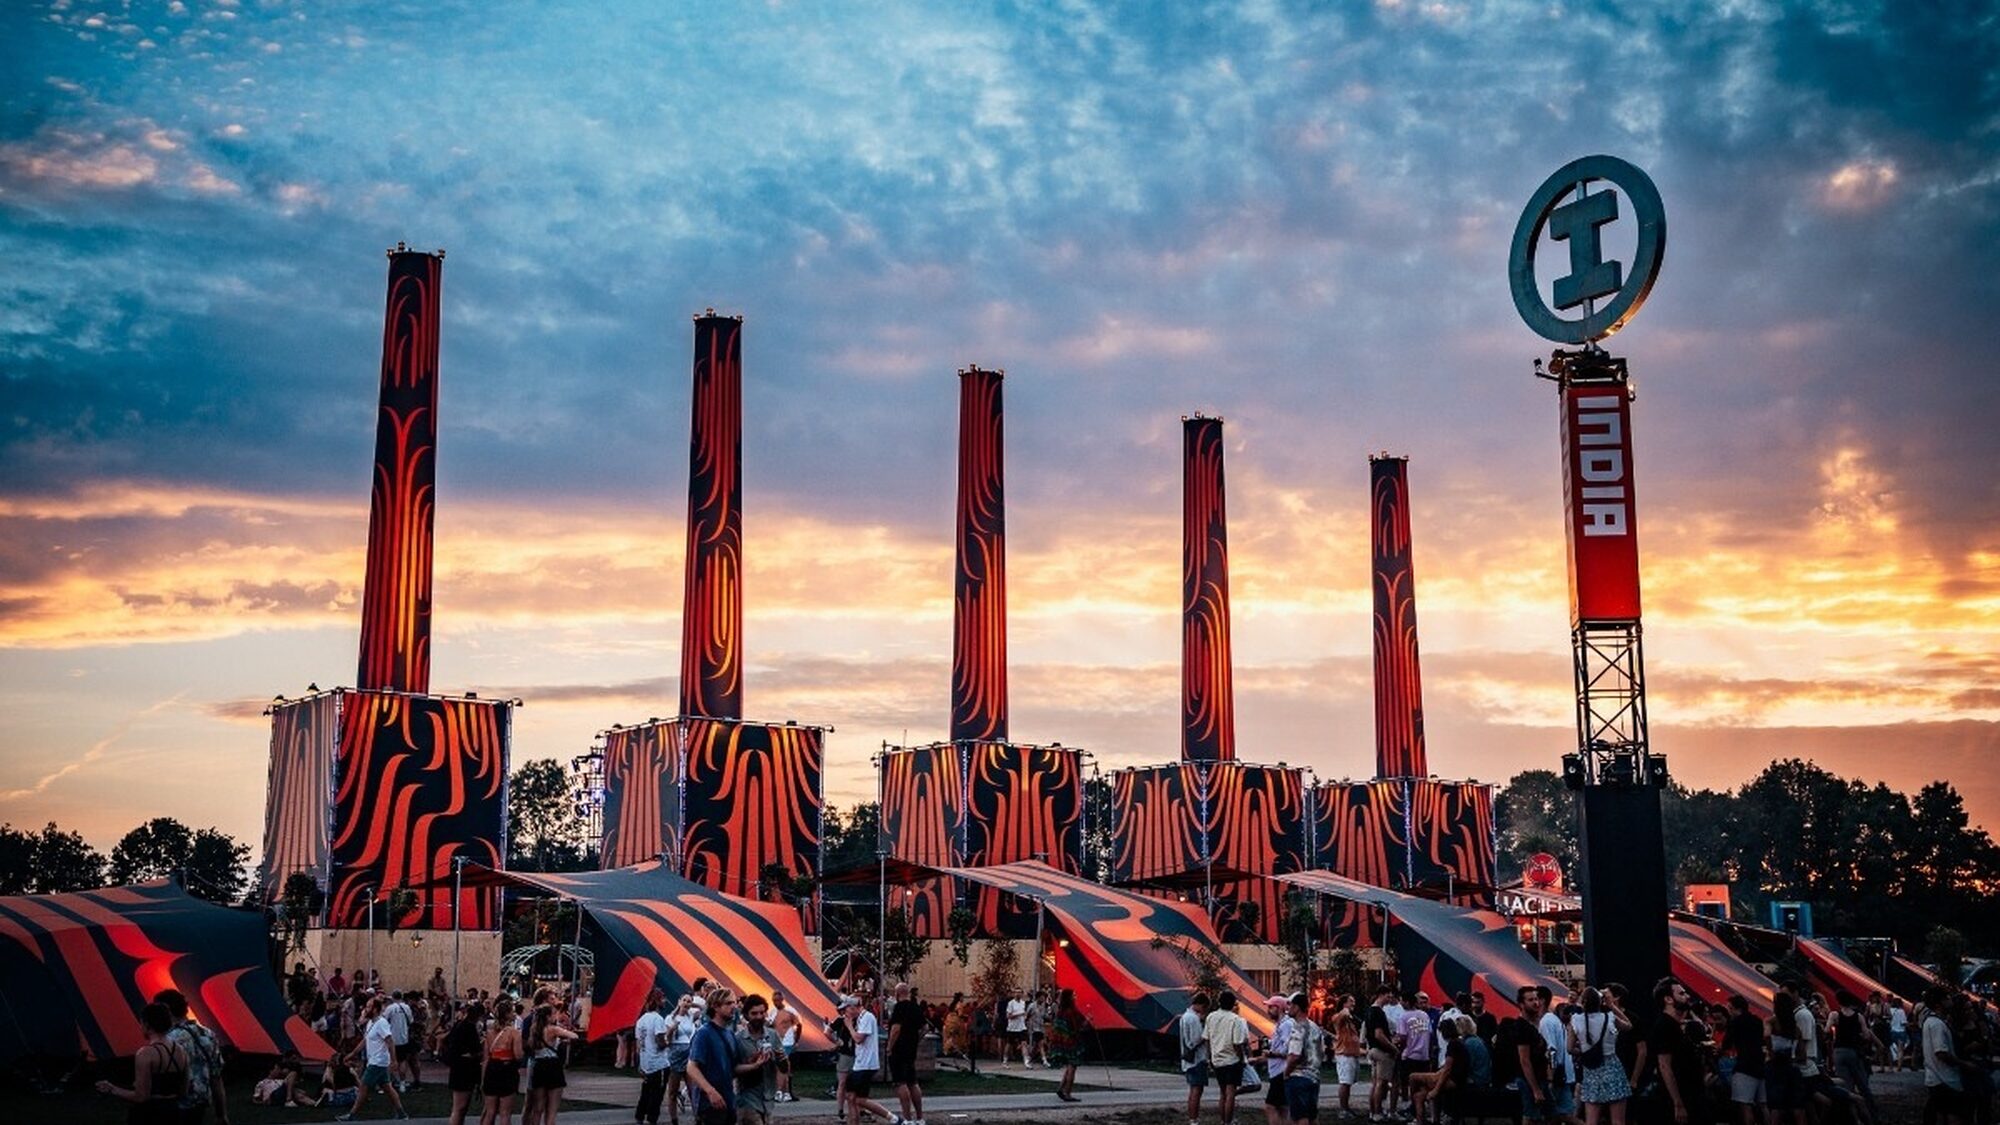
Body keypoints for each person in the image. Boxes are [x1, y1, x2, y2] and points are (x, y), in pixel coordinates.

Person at [95, 1001, 188, 1124]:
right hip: (174, 1113)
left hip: (149, 1115)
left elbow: (141, 1097)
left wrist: (112, 1089)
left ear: (147, 1024)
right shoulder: (181, 1051)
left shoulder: (145, 1054)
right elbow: (184, 1091)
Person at [1633, 978, 1706, 1125]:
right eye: (1681, 993)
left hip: (1691, 1093)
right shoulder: (1664, 1027)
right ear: (1668, 999)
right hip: (1677, 1097)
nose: (1687, 996)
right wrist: (1677, 1103)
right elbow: (1665, 1066)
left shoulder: (1678, 1025)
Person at [155, 988, 226, 1125]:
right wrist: (221, 1114)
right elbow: (216, 1077)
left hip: (175, 1103)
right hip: (200, 1101)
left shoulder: (168, 1040)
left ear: (166, 1011)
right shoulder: (207, 1034)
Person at [1567, 987, 1631, 1125]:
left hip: (1591, 1070)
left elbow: (1570, 1048)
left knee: (1591, 1120)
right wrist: (1612, 1006)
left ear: (1583, 1002)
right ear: (1599, 1002)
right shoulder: (1609, 1017)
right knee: (1618, 1121)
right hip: (1612, 1066)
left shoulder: (1575, 1020)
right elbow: (1628, 1026)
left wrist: (1584, 1051)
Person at [341, 994, 409, 1121]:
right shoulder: (371, 1022)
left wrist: (394, 1060)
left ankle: (352, 1114)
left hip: (378, 1062)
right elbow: (365, 1040)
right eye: (366, 1007)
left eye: (369, 1007)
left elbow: (390, 1041)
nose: (366, 1009)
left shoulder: (381, 1023)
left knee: (363, 1087)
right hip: (376, 1061)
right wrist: (352, 1054)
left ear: (376, 1009)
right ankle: (401, 1113)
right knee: (388, 1088)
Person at [840, 994, 898, 1125]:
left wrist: (849, 1026)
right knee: (851, 1097)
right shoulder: (861, 1019)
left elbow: (859, 1039)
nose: (845, 1013)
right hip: (860, 1064)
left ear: (854, 1007)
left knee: (859, 1099)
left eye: (846, 1009)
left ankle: (892, 1118)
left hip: (866, 1065)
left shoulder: (867, 1017)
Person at [1502, 984, 1556, 1125]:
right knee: (1531, 1116)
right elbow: (1524, 1060)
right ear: (1521, 1004)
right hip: (1528, 1081)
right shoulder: (1521, 1027)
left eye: (1537, 999)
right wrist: (1535, 1089)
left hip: (1541, 1077)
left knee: (1550, 1115)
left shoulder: (1538, 1023)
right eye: (1531, 1000)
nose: (1536, 1003)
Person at [686, 988, 740, 1125]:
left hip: (727, 1101)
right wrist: (710, 1091)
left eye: (734, 1003)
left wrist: (756, 1063)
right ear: (715, 1006)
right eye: (728, 1003)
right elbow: (692, 1067)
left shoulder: (730, 1034)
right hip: (709, 1105)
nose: (733, 1006)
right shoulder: (704, 1034)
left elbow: (733, 1068)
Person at [525, 1001, 581, 1125]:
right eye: (554, 1014)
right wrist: (564, 1035)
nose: (556, 1016)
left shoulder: (534, 1030)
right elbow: (574, 1036)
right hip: (552, 1066)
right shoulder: (553, 1029)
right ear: (548, 1016)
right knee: (551, 1109)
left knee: (537, 1109)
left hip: (538, 1066)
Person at [735, 993, 783, 1125]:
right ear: (746, 1015)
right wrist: (754, 1064)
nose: (759, 1017)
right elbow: (733, 1069)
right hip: (747, 1096)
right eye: (754, 1013)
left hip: (768, 1096)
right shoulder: (738, 1039)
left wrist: (781, 1059)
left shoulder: (772, 1035)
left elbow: (784, 1068)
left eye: (762, 1013)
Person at [1535, 985, 1580, 1125]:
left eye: (1534, 999)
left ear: (1541, 1001)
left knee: (1550, 1115)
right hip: (1564, 1074)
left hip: (1556, 1077)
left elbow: (1551, 1051)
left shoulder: (1546, 1022)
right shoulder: (1553, 1020)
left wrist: (1550, 1078)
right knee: (1564, 1115)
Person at [1920, 986, 1965, 1125]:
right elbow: (1941, 1052)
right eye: (1947, 998)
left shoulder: (1931, 1022)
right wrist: (1963, 1064)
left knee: (1941, 1114)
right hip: (1944, 1078)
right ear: (1939, 1003)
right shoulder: (1937, 1025)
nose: (1950, 1000)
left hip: (1936, 1077)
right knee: (1953, 1115)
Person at [1831, 992, 1880, 1120]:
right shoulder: (1858, 1016)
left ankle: (1852, 1118)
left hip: (1839, 1051)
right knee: (1863, 1084)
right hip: (1853, 1051)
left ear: (1838, 1001)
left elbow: (1826, 1030)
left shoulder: (1835, 1015)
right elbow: (1866, 1035)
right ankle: (1872, 1115)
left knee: (1846, 1086)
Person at [1207, 989, 1252, 1125]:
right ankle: (1228, 1121)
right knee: (1230, 1093)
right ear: (1233, 1004)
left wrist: (1210, 1057)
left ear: (1219, 1002)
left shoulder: (1211, 1017)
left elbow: (1207, 1039)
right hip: (1232, 1060)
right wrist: (1242, 1058)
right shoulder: (1236, 1020)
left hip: (1217, 1059)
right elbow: (1237, 1043)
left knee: (1222, 1093)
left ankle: (1222, 1120)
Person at [1721, 994, 1766, 1125]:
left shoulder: (1734, 1022)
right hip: (1760, 1063)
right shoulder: (1757, 1020)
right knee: (1764, 1105)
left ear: (1735, 1008)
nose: (1729, 1011)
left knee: (1745, 1105)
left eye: (1729, 1008)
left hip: (1744, 1066)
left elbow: (1726, 1044)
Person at [886, 983, 926, 1125]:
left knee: (900, 1083)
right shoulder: (916, 1007)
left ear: (897, 994)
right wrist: (916, 1039)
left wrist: (890, 1047)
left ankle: (907, 1118)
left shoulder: (899, 1007)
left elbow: (896, 1029)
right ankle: (920, 1118)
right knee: (913, 1082)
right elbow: (924, 1027)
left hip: (899, 1049)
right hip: (911, 1049)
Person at [1282, 993, 1325, 1125]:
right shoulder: (1314, 1027)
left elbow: (1295, 1055)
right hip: (1313, 1076)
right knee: (1312, 1116)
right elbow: (1321, 1051)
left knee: (1300, 1117)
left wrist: (1286, 1072)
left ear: (1297, 1007)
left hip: (1298, 1076)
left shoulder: (1298, 1028)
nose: (1288, 1008)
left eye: (1290, 1005)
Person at [442, 1000, 486, 1125]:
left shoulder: (460, 1025)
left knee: (461, 1107)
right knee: (459, 1107)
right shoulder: (469, 1027)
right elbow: (476, 1050)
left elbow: (448, 1040)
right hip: (464, 1069)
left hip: (459, 1068)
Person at [481, 996, 522, 1125]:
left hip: (492, 1070)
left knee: (490, 1111)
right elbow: (518, 1055)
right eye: (513, 1011)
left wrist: (483, 1079)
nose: (514, 1014)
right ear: (508, 1014)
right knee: (505, 1113)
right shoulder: (514, 1033)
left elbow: (486, 1058)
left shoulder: (489, 1033)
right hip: (507, 1069)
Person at [667, 993, 704, 1125]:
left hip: (688, 1052)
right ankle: (674, 1119)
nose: (687, 1003)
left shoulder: (690, 1016)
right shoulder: (670, 1018)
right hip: (675, 1052)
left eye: (689, 1001)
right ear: (679, 1001)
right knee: (673, 1090)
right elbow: (668, 1040)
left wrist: (692, 1004)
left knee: (692, 1088)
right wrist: (671, 1029)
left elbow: (703, 1008)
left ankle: (697, 1118)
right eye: (684, 1000)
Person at [635, 989, 671, 1125]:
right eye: (662, 998)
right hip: (659, 1064)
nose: (664, 1001)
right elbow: (660, 1042)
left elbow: (639, 1045)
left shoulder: (641, 1020)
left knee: (645, 1092)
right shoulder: (658, 1019)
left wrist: (640, 1063)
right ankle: (652, 1120)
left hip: (646, 1063)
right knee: (657, 1095)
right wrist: (669, 1041)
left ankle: (639, 1116)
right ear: (656, 1001)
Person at [1366, 986, 1402, 1121]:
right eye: (1388, 996)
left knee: (1375, 1083)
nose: (1390, 999)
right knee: (1382, 1083)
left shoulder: (1369, 1010)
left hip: (1373, 1049)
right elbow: (1379, 1034)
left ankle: (1372, 1112)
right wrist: (1393, 1047)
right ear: (1381, 995)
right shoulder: (1378, 1012)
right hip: (1382, 1051)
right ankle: (1377, 1112)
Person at [1263, 993, 1297, 1125]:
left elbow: (1289, 1049)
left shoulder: (1286, 1025)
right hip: (1277, 1070)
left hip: (1280, 1071)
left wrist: (1272, 1054)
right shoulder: (1280, 1025)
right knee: (1283, 1108)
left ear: (1279, 1008)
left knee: (1270, 1107)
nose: (1268, 1010)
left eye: (1271, 1007)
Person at [1048, 989, 1086, 1103]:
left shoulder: (1061, 1011)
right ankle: (1068, 1092)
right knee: (1072, 1067)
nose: (1075, 996)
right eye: (1073, 995)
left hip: (1063, 1042)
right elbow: (1076, 1027)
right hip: (1071, 1042)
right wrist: (1087, 1021)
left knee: (1069, 1067)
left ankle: (1061, 1089)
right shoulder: (1071, 1011)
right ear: (1069, 997)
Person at [1181, 991, 1213, 1125]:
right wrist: (1206, 1034)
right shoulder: (1193, 1019)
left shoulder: (1185, 1016)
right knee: (1197, 1090)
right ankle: (1194, 1119)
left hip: (1188, 1060)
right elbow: (1195, 1040)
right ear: (1200, 1005)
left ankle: (1192, 1118)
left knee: (1193, 1089)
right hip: (1197, 1059)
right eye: (1205, 1007)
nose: (1204, 1011)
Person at [1331, 994, 1364, 1118]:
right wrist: (1346, 1010)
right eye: (1351, 1001)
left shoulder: (1350, 1020)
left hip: (1352, 1053)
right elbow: (1342, 1015)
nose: (1353, 1004)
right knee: (1345, 1082)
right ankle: (1343, 1109)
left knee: (1349, 1082)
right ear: (1344, 1003)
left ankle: (1347, 1107)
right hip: (1344, 1054)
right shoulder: (1338, 1017)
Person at [383, 990, 417, 1092]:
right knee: (402, 1061)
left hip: (392, 1038)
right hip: (404, 1038)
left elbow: (384, 1020)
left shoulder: (390, 1008)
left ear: (393, 997)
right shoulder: (406, 1007)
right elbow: (411, 1021)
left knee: (390, 1061)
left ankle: (387, 1085)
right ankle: (402, 1084)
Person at [771, 991, 801, 1102]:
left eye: (778, 1000)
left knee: (782, 1066)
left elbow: (799, 1025)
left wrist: (796, 1040)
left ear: (783, 1000)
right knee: (783, 1067)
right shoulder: (772, 1012)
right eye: (774, 1001)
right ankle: (786, 1092)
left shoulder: (790, 1011)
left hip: (787, 1042)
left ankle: (780, 1091)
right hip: (776, 1042)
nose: (776, 1003)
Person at [1004, 988, 1030, 1067]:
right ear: (1014, 994)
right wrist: (1019, 1014)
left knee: (1024, 1043)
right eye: (1016, 992)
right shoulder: (1011, 1003)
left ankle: (1026, 1062)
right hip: (1012, 1028)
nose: (1018, 994)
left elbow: (1024, 1014)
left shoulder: (1023, 1003)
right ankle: (1005, 1060)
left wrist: (1025, 1017)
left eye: (1019, 992)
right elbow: (1008, 1016)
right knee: (1009, 1044)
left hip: (1021, 1027)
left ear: (1022, 994)